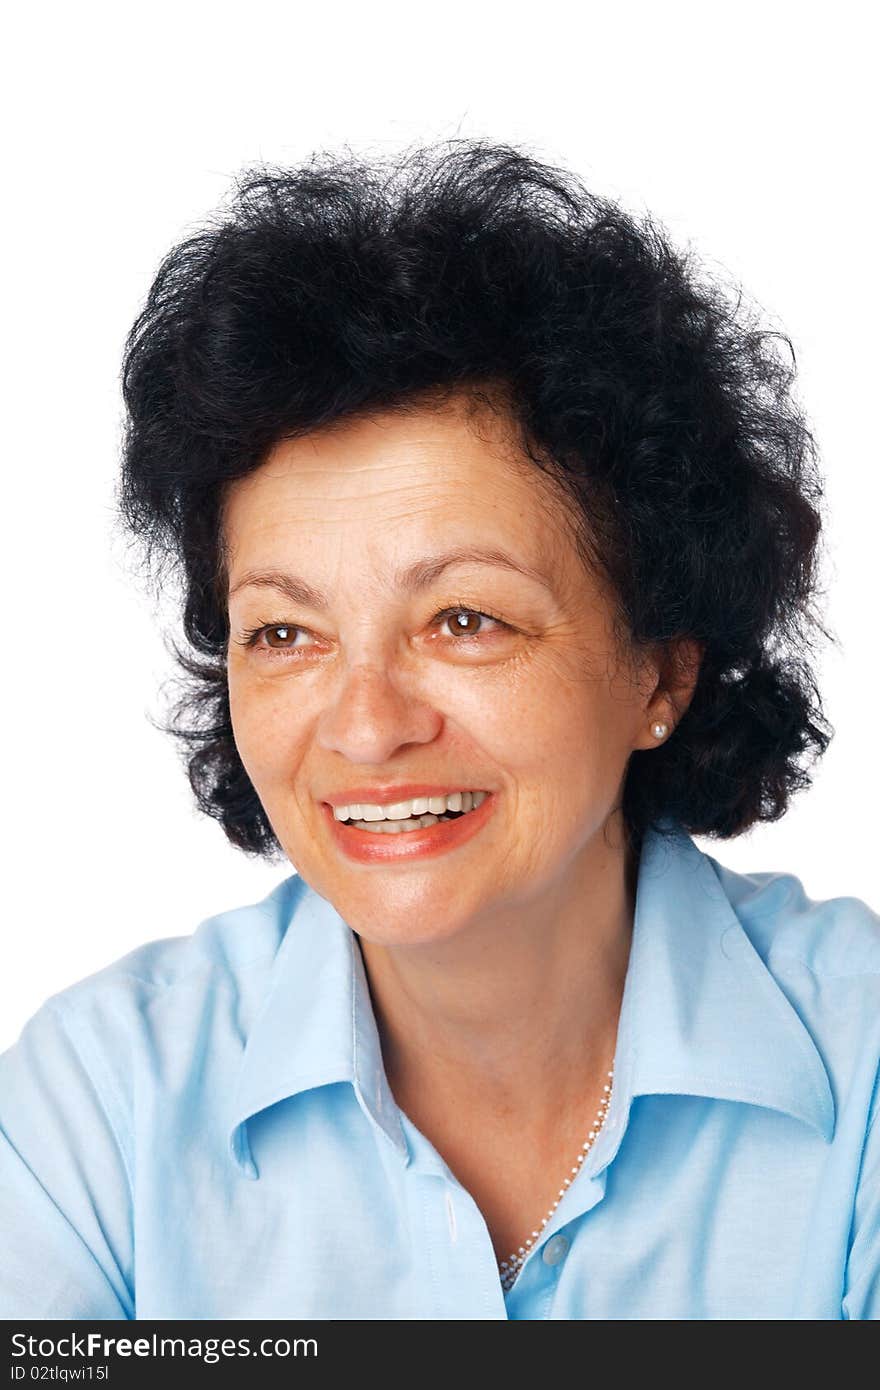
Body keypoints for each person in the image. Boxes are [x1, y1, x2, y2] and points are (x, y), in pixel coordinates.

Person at [1, 137, 877, 1321]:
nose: (364, 726)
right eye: (284, 632)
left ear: (660, 670)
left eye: (464, 619)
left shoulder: (861, 1058)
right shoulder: (92, 1111)